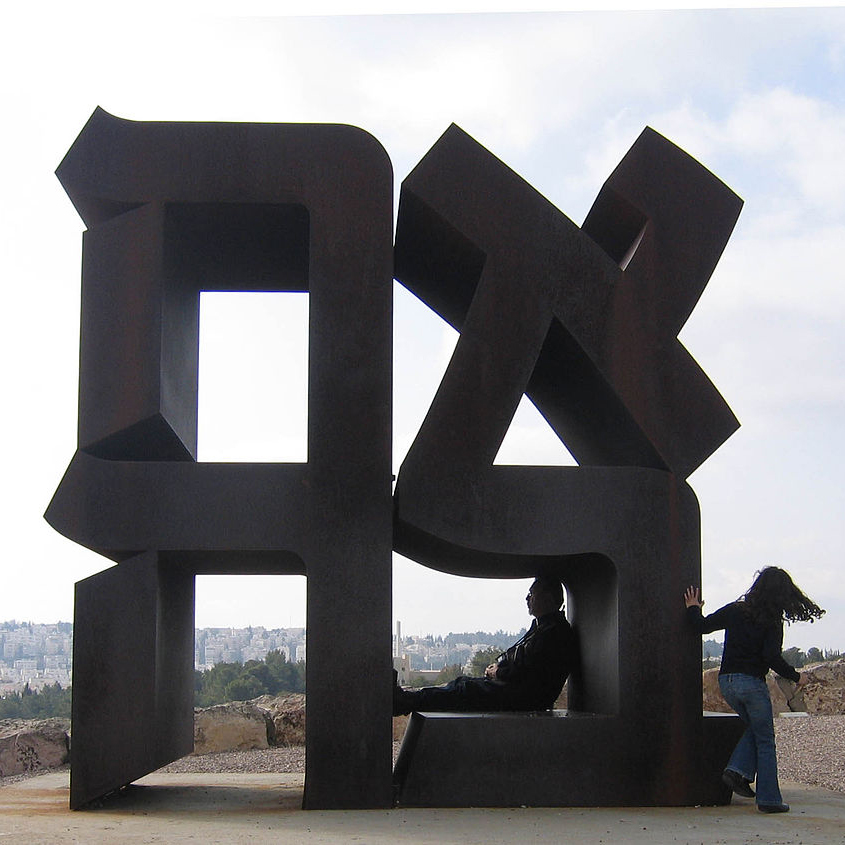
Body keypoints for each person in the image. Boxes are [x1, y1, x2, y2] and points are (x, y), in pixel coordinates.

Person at [684, 566, 824, 813]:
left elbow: (702, 627)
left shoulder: (736, 610)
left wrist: (693, 606)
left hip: (727, 682)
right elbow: (771, 656)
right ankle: (767, 797)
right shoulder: (771, 620)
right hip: (751, 684)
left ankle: (738, 772)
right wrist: (796, 676)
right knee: (766, 740)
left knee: (756, 730)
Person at [393, 576, 575, 715]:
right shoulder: (547, 628)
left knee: (463, 689)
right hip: (520, 695)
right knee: (461, 684)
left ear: (548, 597)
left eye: (532, 594)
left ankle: (407, 702)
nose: (527, 599)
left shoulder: (552, 632)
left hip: (522, 699)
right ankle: (408, 700)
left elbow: (529, 671)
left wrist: (498, 672)